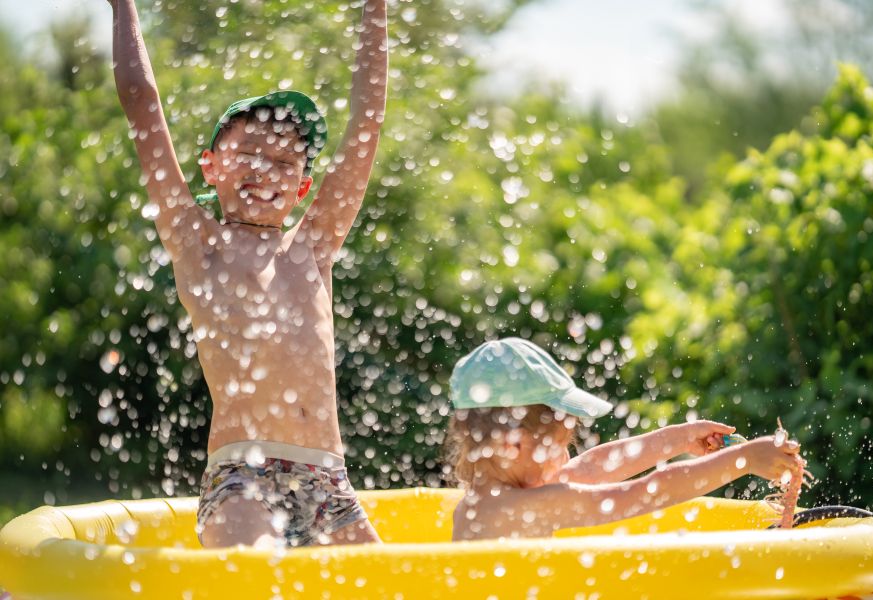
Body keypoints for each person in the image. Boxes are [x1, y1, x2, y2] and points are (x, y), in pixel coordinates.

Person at [103, 0, 388, 548]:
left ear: (304, 186)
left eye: (285, 164)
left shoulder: (312, 246)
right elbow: (142, 104)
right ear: (210, 166)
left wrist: (374, 11)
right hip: (243, 480)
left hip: (330, 483)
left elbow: (367, 126)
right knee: (255, 580)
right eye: (250, 154)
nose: (266, 171)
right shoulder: (198, 245)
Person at [445, 337, 807, 541]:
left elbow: (592, 466)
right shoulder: (519, 508)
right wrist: (740, 461)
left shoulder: (491, 500)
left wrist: (678, 439)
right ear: (513, 445)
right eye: (558, 446)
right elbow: (646, 493)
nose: (566, 457)